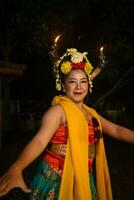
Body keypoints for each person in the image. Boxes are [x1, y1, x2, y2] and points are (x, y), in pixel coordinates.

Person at [0, 48, 134, 200]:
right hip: (56, 178)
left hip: (83, 176)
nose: (78, 87)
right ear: (63, 86)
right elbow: (39, 141)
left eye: (83, 81)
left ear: (89, 86)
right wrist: (16, 168)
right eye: (72, 81)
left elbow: (116, 130)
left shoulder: (92, 114)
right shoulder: (58, 111)